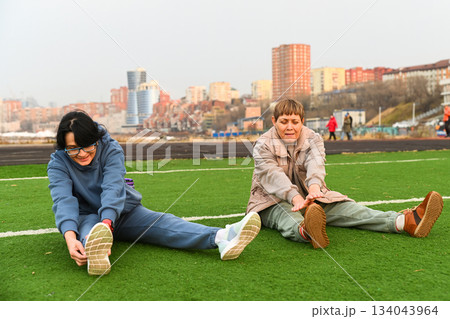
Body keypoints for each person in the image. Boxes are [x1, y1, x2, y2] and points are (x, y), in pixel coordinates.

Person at [48, 111, 261, 275]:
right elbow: (63, 200)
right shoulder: (58, 163)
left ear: (96, 140)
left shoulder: (110, 148)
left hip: (123, 211)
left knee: (164, 223)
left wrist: (107, 223)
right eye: (73, 148)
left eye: (88, 146)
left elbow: (113, 187)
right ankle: (96, 253)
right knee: (88, 233)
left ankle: (224, 237)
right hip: (88, 216)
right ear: (63, 147)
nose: (82, 153)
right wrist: (69, 237)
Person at [246, 99, 443, 249]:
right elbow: (272, 176)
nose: (290, 127)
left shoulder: (313, 138)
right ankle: (306, 231)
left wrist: (314, 189)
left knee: (350, 209)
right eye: (284, 121)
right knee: (286, 216)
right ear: (273, 121)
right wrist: (295, 198)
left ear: (302, 121)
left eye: (295, 121)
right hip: (271, 201)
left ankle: (405, 222)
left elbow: (316, 163)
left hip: (309, 195)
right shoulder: (263, 144)